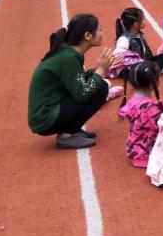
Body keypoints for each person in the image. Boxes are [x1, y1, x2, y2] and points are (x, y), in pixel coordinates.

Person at [27, 14, 113, 150]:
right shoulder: (68, 57)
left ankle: (71, 129)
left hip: (47, 111)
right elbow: (83, 93)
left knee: (97, 83)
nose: (102, 33)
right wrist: (101, 70)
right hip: (45, 118)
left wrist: (96, 71)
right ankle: (67, 135)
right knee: (100, 88)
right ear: (88, 36)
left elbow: (77, 80)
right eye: (100, 29)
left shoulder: (69, 53)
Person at [117, 61, 163, 168]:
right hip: (146, 154)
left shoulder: (132, 101)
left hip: (135, 149)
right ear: (154, 82)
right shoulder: (149, 108)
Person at [109, 7, 163, 78]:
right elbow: (118, 58)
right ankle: (150, 71)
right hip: (133, 67)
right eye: (143, 19)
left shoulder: (139, 34)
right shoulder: (124, 39)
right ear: (136, 24)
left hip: (143, 63)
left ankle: (151, 70)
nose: (144, 21)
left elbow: (147, 54)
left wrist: (149, 62)